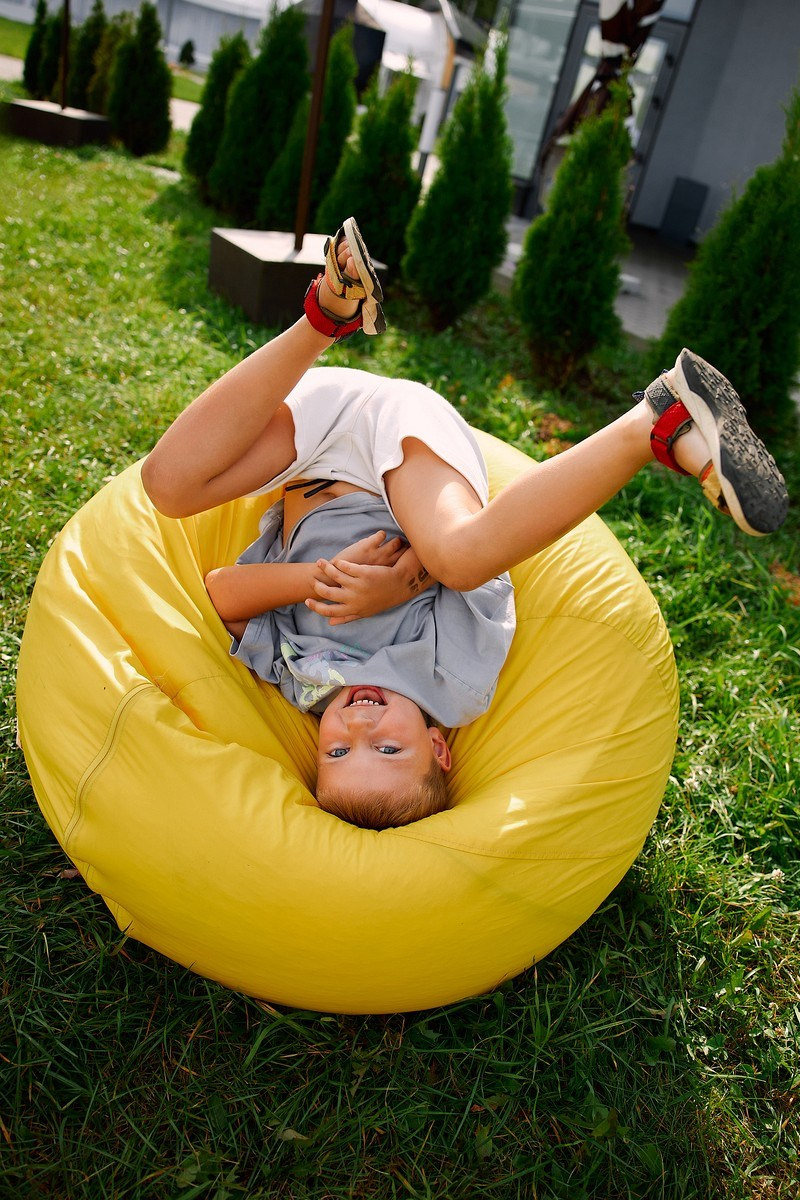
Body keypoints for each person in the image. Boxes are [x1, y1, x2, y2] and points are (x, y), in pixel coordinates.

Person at [142, 218, 789, 831]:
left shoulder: (302, 681)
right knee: (457, 557)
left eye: (337, 756)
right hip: (406, 467)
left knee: (166, 486)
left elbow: (223, 590)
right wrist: (404, 583)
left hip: (314, 452)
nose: (358, 732)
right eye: (389, 751)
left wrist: (319, 578)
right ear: (437, 748)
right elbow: (483, 575)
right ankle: (654, 421)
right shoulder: (452, 685)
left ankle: (328, 312)